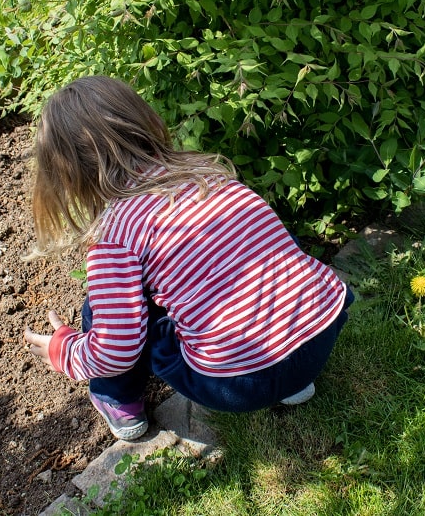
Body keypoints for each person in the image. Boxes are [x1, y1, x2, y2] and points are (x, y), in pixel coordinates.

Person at [22, 76, 353, 440]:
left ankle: (119, 401)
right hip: (320, 336)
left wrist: (64, 351)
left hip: (236, 383)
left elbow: (115, 349)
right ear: (143, 120)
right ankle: (292, 379)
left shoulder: (115, 236)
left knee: (104, 308)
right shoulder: (207, 175)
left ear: (68, 172)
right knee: (264, 245)